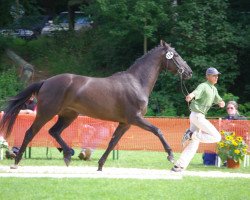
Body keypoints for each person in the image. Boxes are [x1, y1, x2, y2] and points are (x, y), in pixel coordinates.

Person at [171, 67, 225, 172]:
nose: (216, 77)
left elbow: (219, 100)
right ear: (207, 76)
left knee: (193, 144)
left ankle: (178, 166)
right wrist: (191, 95)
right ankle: (190, 134)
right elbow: (196, 92)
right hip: (197, 116)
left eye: (217, 75)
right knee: (217, 137)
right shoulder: (203, 85)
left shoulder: (214, 89)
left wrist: (221, 102)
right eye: (214, 75)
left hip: (198, 116)